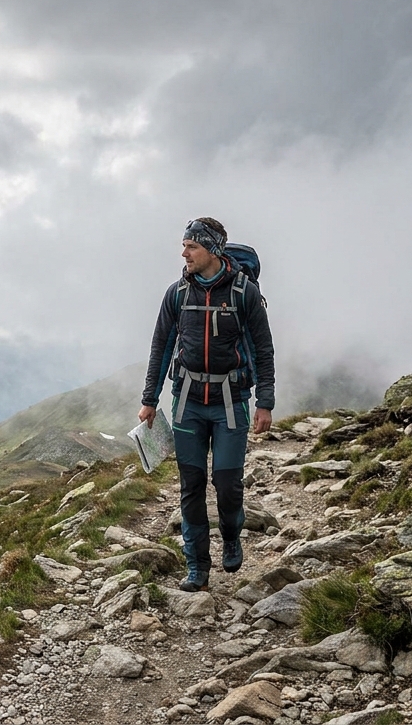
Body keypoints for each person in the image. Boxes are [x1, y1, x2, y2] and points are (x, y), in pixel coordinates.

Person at [138, 217, 275, 592]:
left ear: (212, 250)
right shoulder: (178, 293)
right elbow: (161, 346)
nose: (184, 254)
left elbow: (263, 349)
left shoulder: (244, 294)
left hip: (231, 402)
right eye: (184, 246)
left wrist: (266, 402)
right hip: (187, 404)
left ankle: (231, 535)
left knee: (227, 484)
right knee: (192, 485)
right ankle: (197, 565)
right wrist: (149, 399)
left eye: (192, 247)